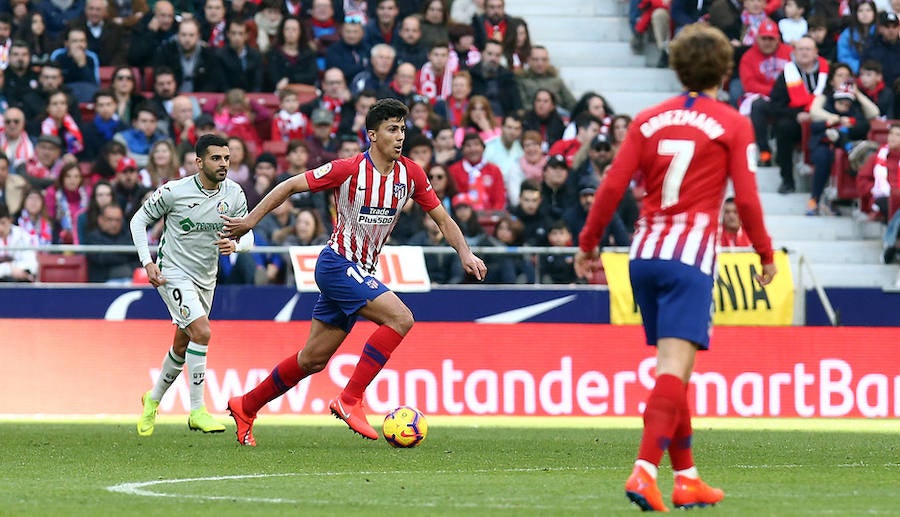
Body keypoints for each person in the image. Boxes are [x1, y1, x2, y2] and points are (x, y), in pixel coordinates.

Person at [573, 23, 777, 512]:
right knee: (672, 368)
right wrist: (764, 253)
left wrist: (589, 244)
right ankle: (644, 472)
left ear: (675, 66)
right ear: (726, 70)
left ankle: (687, 478)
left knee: (676, 369)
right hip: (690, 258)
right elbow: (746, 199)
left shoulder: (647, 120)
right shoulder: (732, 122)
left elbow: (611, 187)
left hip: (643, 255)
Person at [220, 98, 487, 446]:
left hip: (358, 270)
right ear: (373, 135)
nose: (400, 136)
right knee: (401, 319)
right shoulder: (347, 169)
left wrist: (464, 251)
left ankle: (246, 404)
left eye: (403, 129)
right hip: (336, 265)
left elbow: (442, 218)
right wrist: (249, 222)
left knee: (312, 359)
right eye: (392, 129)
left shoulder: (411, 174)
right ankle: (350, 399)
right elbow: (288, 186)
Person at [130, 134, 254, 437]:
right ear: (199, 162)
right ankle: (197, 409)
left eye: (226, 158)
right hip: (172, 272)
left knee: (183, 344)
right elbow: (137, 221)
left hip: (205, 277)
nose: (223, 164)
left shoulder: (234, 193)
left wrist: (236, 247)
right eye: (216, 158)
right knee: (202, 331)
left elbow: (249, 234)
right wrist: (148, 262)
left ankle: (153, 399)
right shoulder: (174, 191)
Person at [83, 203, 139, 283]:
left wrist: (111, 254)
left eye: (117, 220)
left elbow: (138, 260)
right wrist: (126, 255)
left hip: (130, 281)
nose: (114, 224)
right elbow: (102, 258)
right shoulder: (93, 238)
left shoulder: (129, 235)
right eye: (110, 219)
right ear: (100, 220)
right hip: (102, 284)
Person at [0, 200, 38, 282]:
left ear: (10, 220)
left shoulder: (22, 235)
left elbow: (32, 264)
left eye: (3, 223)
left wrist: (17, 271)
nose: (0, 228)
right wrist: (9, 269)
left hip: (19, 281)